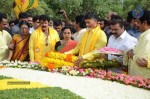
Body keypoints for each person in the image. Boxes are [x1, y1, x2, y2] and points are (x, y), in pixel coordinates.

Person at [126, 10, 150, 78]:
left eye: (137, 22)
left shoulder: (147, 38)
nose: (135, 24)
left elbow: (141, 62)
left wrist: (131, 55)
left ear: (145, 22)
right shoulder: (143, 35)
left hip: (142, 80)